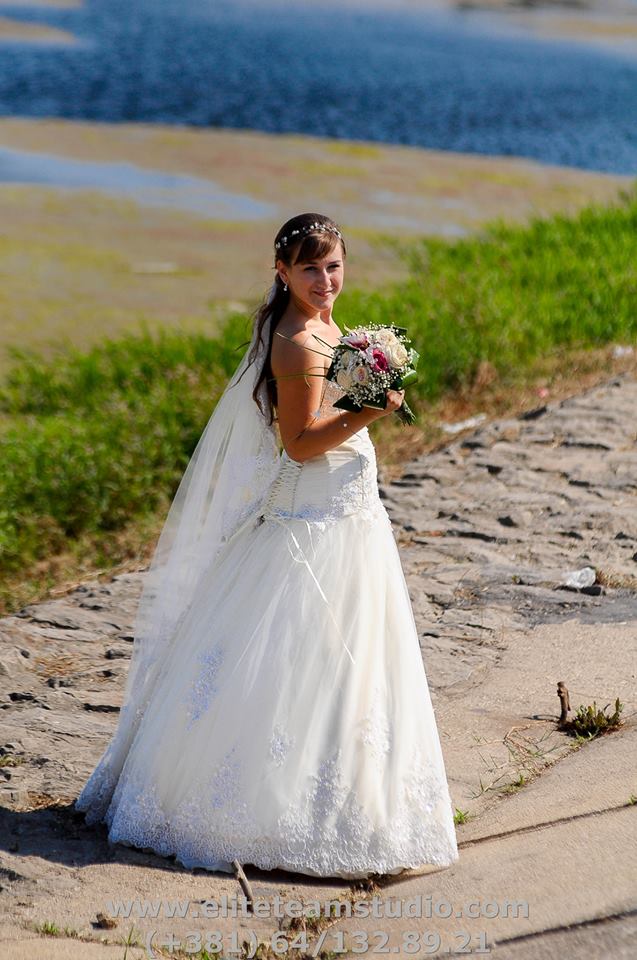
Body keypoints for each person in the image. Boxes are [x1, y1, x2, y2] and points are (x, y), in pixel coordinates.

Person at [74, 212, 459, 880]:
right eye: (309, 268)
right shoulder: (296, 342)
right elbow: (300, 444)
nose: (324, 280)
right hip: (314, 522)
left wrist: (365, 389)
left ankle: (348, 797)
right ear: (281, 271)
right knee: (306, 654)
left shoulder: (325, 326)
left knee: (346, 661)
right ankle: (275, 812)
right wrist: (372, 409)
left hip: (347, 515)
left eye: (333, 266)